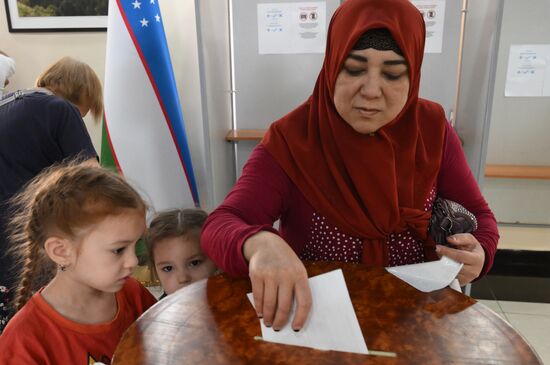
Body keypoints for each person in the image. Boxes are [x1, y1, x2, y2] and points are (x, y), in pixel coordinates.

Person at [201, 0, 499, 333]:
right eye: (354, 68)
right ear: (331, 66)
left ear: (413, 75)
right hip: (317, 324)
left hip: (417, 321)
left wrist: (480, 253)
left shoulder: (431, 130)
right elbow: (220, 225)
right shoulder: (293, 139)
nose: (371, 91)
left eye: (393, 73)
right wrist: (257, 244)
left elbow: (480, 215)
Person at [0, 163, 157, 364]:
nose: (133, 261)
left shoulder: (134, 295)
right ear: (61, 251)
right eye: (118, 250)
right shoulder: (23, 341)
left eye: (137, 244)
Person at [0, 56, 102, 332]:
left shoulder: (6, 105)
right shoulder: (61, 108)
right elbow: (92, 181)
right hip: (28, 239)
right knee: (45, 325)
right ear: (81, 93)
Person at [146, 209, 217, 298]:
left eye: (194, 263)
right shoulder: (162, 311)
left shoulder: (236, 303)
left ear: (218, 260)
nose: (183, 278)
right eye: (168, 268)